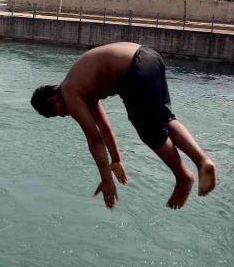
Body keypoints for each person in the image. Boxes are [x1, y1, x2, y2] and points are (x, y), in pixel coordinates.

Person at [30, 42, 216, 210]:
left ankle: (183, 177)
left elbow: (94, 139)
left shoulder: (69, 91)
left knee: (149, 133)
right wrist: (116, 160)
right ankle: (202, 162)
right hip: (149, 57)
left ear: (53, 99)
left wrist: (106, 181)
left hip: (134, 71)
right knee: (165, 120)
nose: (65, 114)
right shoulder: (82, 86)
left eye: (59, 113)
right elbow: (104, 128)